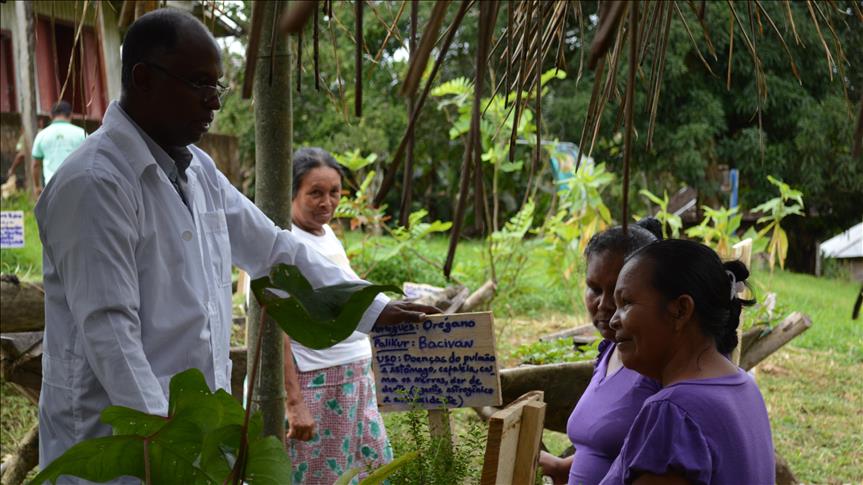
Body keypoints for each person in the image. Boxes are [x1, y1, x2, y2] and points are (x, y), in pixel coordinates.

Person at [34, 9, 434, 479]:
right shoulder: (95, 183)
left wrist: (372, 308)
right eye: (201, 85)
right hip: (124, 445)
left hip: (191, 442)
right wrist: (170, 448)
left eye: (217, 88)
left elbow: (274, 249)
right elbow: (110, 334)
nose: (215, 104)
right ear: (143, 79)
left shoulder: (197, 170)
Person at [599, 239, 775, 484]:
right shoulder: (745, 387)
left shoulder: (673, 412)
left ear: (680, 310)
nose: (613, 321)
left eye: (626, 302)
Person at [278, 147, 392, 483]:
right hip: (318, 385)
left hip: (354, 382)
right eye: (315, 193)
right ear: (293, 192)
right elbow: (275, 330)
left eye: (334, 193)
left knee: (371, 470)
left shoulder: (326, 234)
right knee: (321, 477)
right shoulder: (282, 242)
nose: (327, 202)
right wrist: (294, 401)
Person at [539, 220, 662, 485]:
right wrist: (563, 468)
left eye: (620, 293)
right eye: (594, 289)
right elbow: (611, 445)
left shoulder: (660, 368)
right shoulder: (610, 350)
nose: (604, 305)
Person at [31, 100, 87, 195]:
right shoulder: (81, 133)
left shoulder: (42, 135)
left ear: (51, 116)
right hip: (77, 186)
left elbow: (36, 165)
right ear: (71, 115)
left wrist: (37, 186)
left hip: (52, 187)